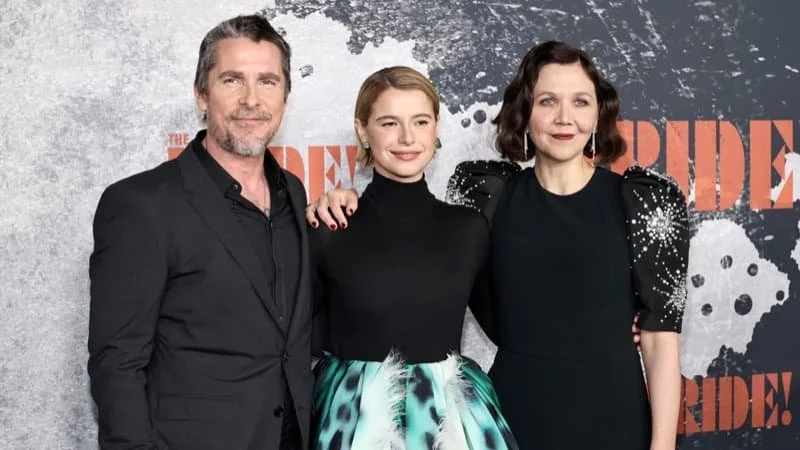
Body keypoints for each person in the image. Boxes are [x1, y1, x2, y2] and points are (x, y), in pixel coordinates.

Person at [306, 41, 688, 450]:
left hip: (614, 414)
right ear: (525, 111)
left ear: (599, 113)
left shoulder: (646, 202)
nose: (564, 118)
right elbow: (426, 271)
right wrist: (336, 200)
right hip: (510, 417)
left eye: (580, 102)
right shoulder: (487, 198)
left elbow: (660, 341)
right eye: (547, 101)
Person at [88, 15, 311, 449]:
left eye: (267, 81)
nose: (251, 99)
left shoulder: (294, 195)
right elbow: (117, 364)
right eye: (232, 80)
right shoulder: (142, 204)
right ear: (201, 94)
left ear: (285, 95)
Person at [310, 66, 518, 449]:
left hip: (452, 424)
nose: (407, 137)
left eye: (420, 121)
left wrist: (615, 321)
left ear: (436, 127)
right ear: (362, 130)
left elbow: (513, 328)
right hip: (352, 422)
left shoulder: (469, 229)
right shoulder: (329, 226)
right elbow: (284, 336)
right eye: (389, 123)